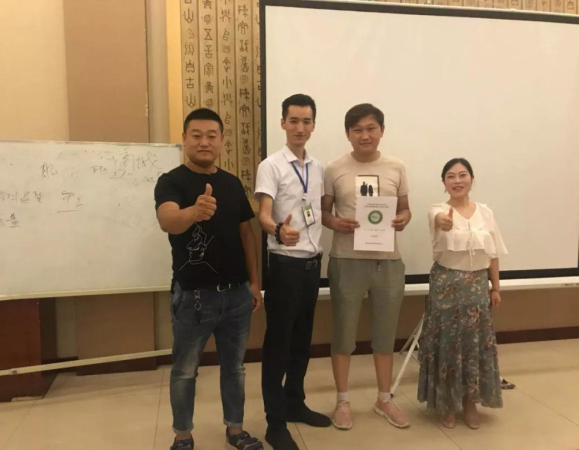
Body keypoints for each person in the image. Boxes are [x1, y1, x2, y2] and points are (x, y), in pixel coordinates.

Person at [154, 108, 264, 450]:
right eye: (197, 135)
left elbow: (247, 234)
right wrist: (194, 212)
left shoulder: (231, 183)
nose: (204, 142)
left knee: (235, 368)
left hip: (237, 295)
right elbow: (167, 221)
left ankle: (235, 429)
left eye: (211, 136)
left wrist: (254, 283)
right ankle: (183, 435)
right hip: (193, 297)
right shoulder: (171, 181)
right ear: (185, 139)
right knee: (185, 371)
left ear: (221, 141)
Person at [322, 103, 412, 430]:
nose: (365, 135)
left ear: (381, 131)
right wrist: (336, 223)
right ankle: (343, 401)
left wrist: (402, 219)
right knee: (344, 334)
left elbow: (405, 209)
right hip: (347, 261)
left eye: (371, 128)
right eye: (357, 129)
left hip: (388, 261)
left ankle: (384, 399)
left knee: (385, 334)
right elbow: (324, 212)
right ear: (348, 133)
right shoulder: (334, 168)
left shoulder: (396, 167)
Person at [255, 94, 330, 450]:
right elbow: (263, 213)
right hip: (285, 266)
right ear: (282, 123)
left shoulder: (317, 167)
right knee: (279, 345)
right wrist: (277, 230)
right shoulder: (271, 165)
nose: (300, 127)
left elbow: (317, 211)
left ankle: (295, 403)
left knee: (302, 341)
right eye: (294, 121)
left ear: (313, 125)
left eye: (306, 121)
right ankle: (275, 423)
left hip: (312, 266)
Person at [417, 158, 507, 429]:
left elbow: (492, 254)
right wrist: (444, 222)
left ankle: (470, 403)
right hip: (446, 284)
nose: (457, 180)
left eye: (462, 175)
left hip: (478, 286)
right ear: (444, 182)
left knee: (474, 345)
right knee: (447, 344)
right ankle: (447, 404)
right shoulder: (437, 210)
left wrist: (496, 287)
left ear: (472, 179)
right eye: (451, 176)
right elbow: (439, 221)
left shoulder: (485, 212)